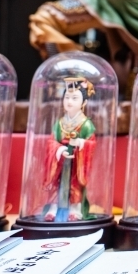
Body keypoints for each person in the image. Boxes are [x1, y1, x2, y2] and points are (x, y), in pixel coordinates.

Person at [44, 78, 96, 222]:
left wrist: (80, 143)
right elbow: (51, 141)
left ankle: (75, 210)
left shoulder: (86, 124)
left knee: (75, 185)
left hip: (76, 161)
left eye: (74, 98)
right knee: (56, 184)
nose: (69, 101)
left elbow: (92, 143)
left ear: (84, 103)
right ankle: (53, 209)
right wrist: (59, 150)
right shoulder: (59, 123)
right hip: (60, 160)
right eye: (67, 97)